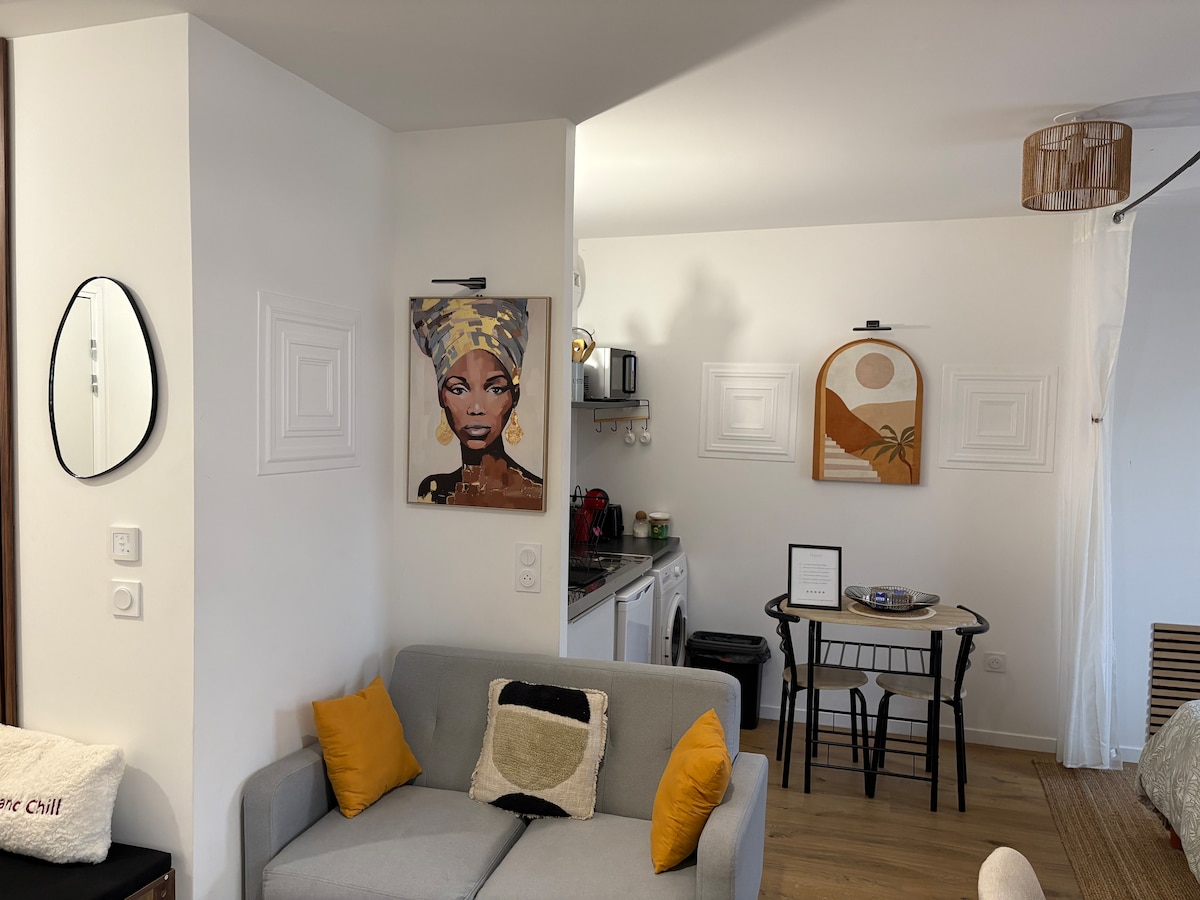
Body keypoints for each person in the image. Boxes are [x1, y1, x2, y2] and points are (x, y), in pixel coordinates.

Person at [411, 297, 543, 509]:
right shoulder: (433, 491)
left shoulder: (536, 494)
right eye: (459, 390)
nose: (476, 409)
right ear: (441, 396)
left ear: (515, 395)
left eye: (494, 389)